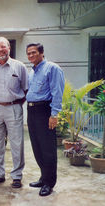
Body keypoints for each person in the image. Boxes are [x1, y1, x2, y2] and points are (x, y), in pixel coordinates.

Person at [0, 37, 28, 188]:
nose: (1, 50)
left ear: (9, 47)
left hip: (14, 108)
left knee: (17, 143)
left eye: (3, 47)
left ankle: (17, 176)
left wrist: (15, 103)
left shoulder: (19, 66)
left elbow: (26, 89)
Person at [26, 43, 65, 196]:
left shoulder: (52, 68)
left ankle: (49, 183)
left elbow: (57, 92)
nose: (30, 56)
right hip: (32, 110)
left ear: (42, 52)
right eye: (28, 53)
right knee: (37, 146)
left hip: (45, 110)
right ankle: (43, 177)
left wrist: (54, 115)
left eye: (33, 52)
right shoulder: (33, 71)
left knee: (48, 148)